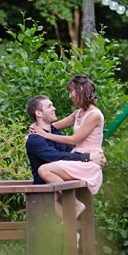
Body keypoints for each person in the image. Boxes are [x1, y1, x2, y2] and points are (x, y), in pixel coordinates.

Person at [28, 75, 105, 215]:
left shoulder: (94, 115)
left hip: (90, 160)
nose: (70, 96)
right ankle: (69, 232)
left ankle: (75, 204)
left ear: (80, 90)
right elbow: (52, 126)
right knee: (51, 194)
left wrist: (44, 134)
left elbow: (72, 139)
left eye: (71, 91)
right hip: (79, 157)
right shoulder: (78, 113)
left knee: (44, 171)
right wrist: (35, 126)